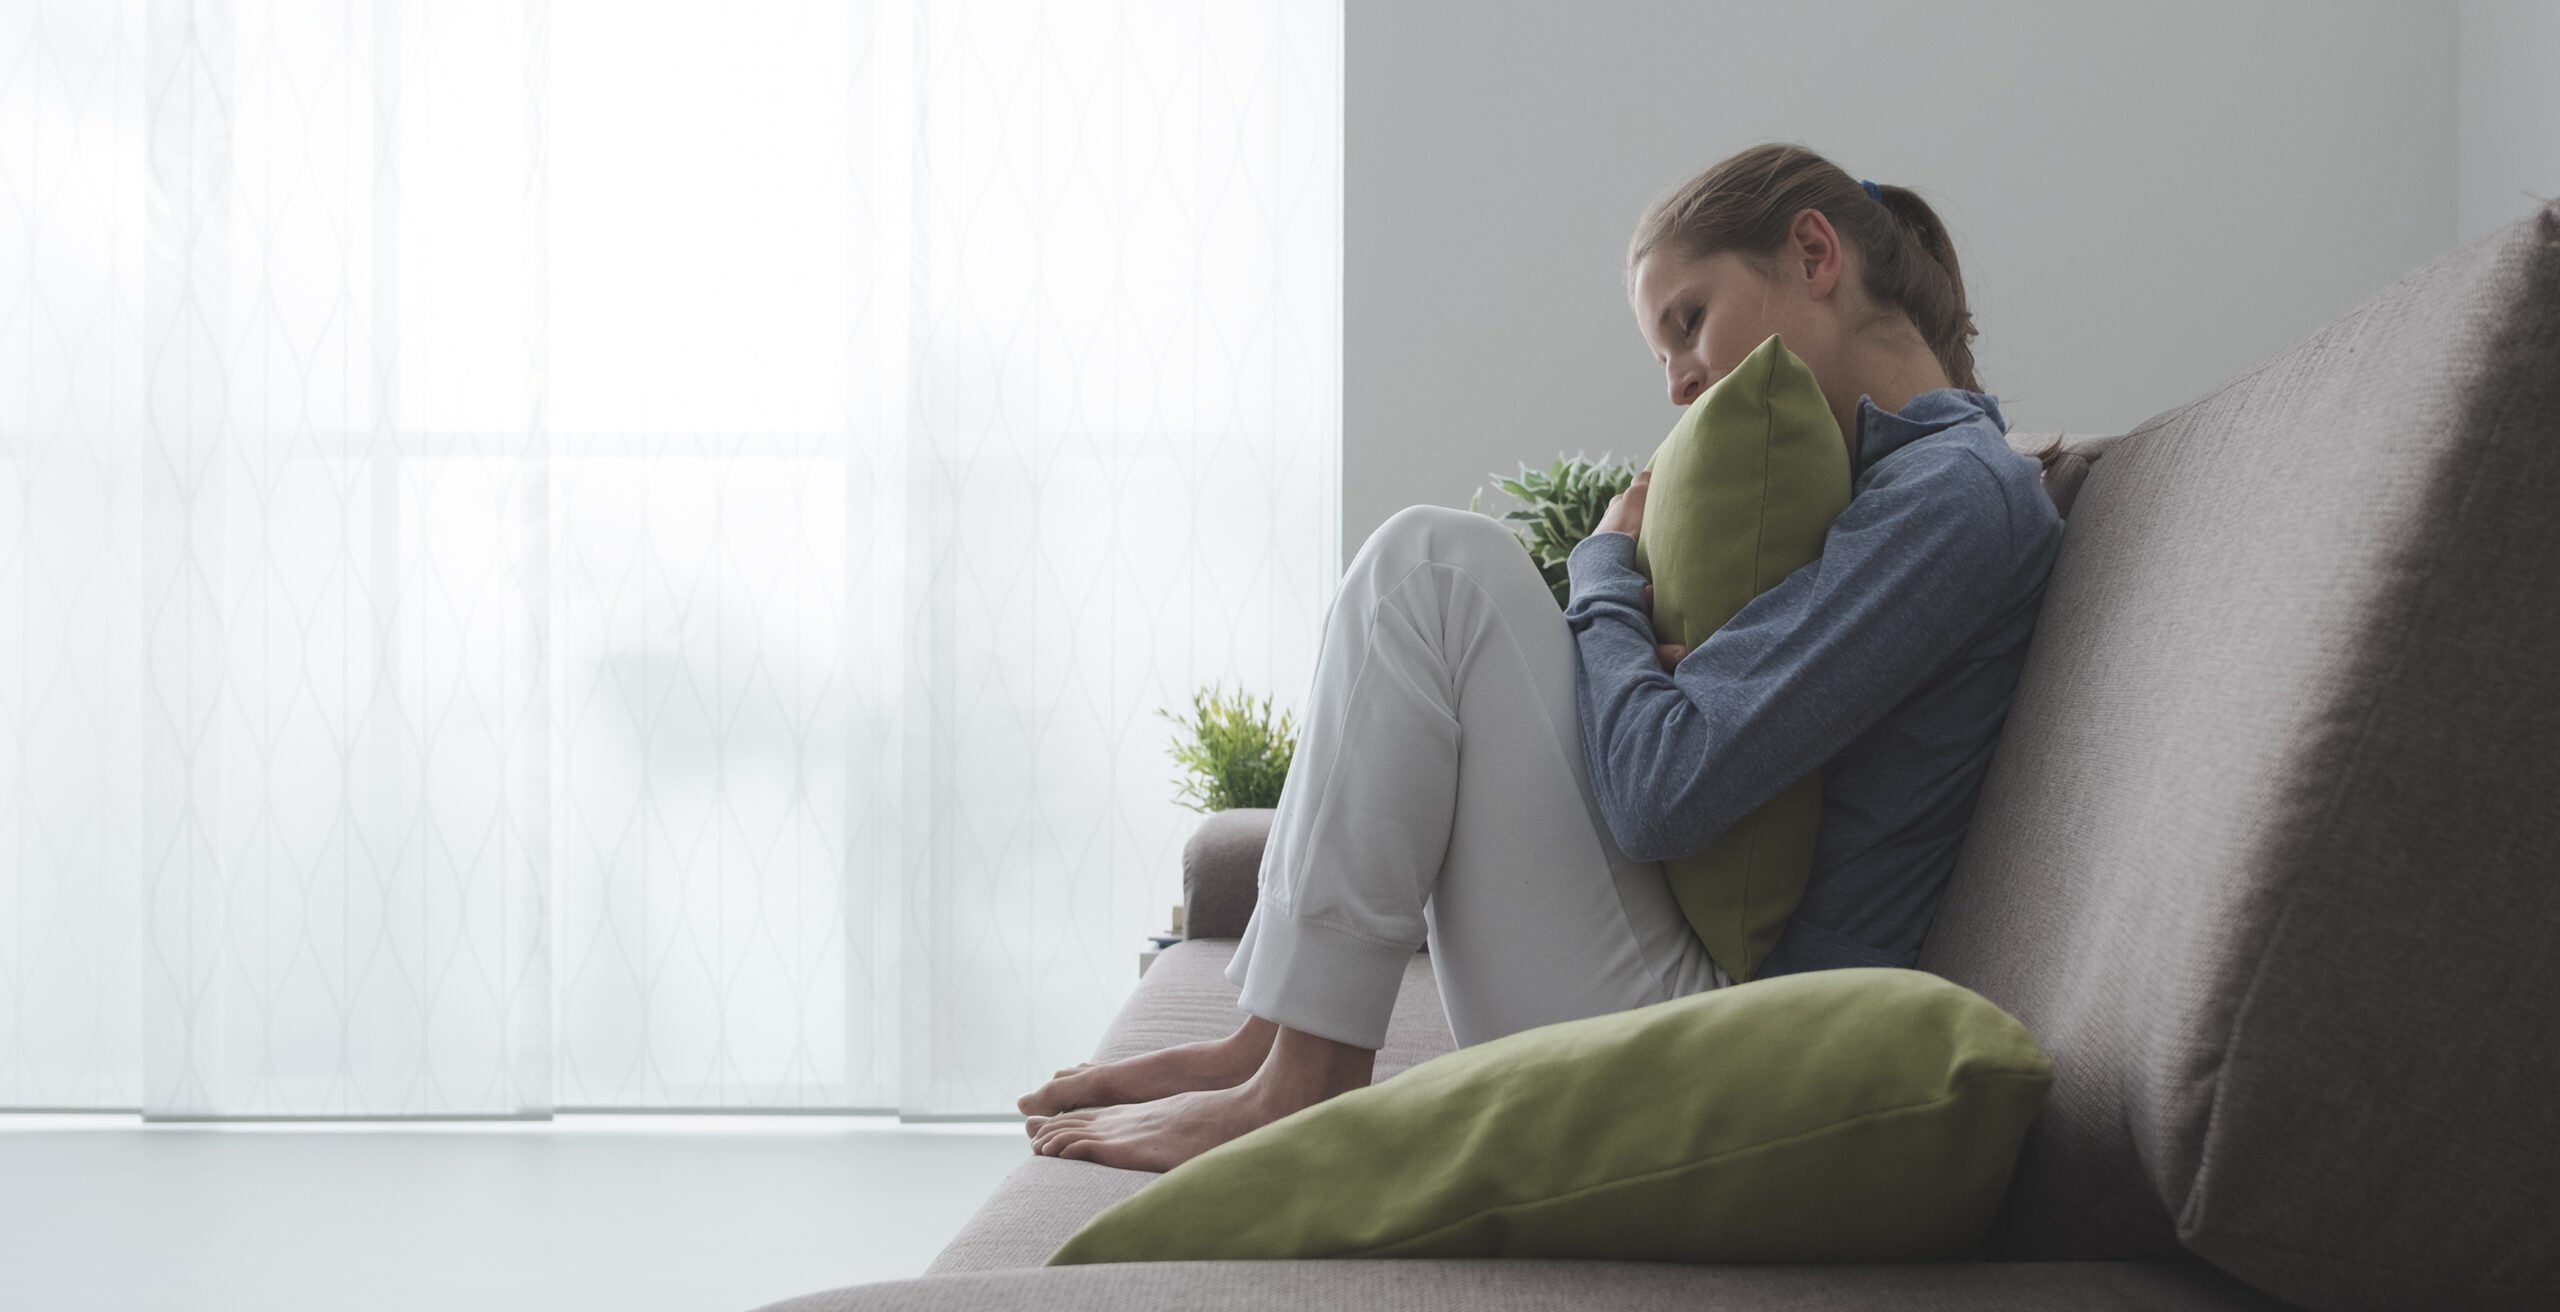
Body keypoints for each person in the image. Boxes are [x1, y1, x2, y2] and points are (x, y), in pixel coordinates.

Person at [1018, 142, 2064, 1171]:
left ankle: (1302, 1078)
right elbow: (1683, 746)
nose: (1677, 386)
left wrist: (1605, 572)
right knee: (1435, 563)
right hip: (1712, 1005)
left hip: (1744, 1051)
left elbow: (1660, 783)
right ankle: (1281, 1037)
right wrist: (1643, 666)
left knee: (1433, 566)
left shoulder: (1952, 497)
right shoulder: (1898, 491)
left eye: (1687, 321)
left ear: (1812, 252)